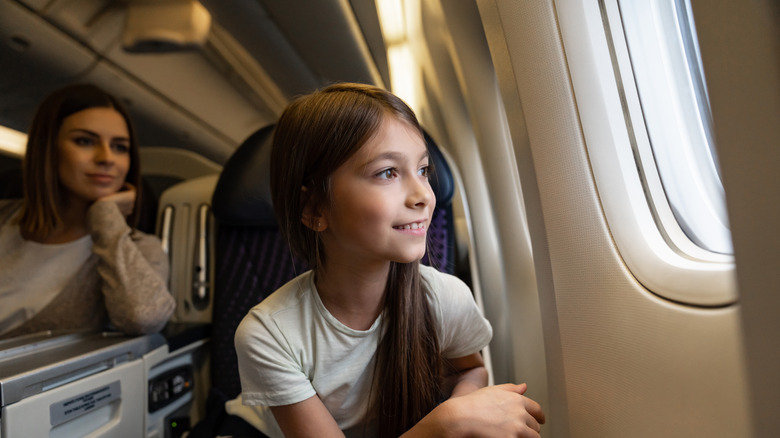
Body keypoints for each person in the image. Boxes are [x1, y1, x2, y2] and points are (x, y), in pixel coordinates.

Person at [227, 83, 545, 437]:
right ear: (314, 208)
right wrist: (448, 423)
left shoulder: (446, 297)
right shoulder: (269, 334)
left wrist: (465, 405)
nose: (423, 194)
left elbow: (469, 369)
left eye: (423, 170)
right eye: (387, 172)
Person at [0, 83, 175, 339]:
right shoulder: (4, 217)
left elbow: (144, 318)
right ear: (48, 149)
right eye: (85, 141)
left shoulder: (140, 248)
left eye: (119, 147)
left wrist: (106, 218)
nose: (106, 158)